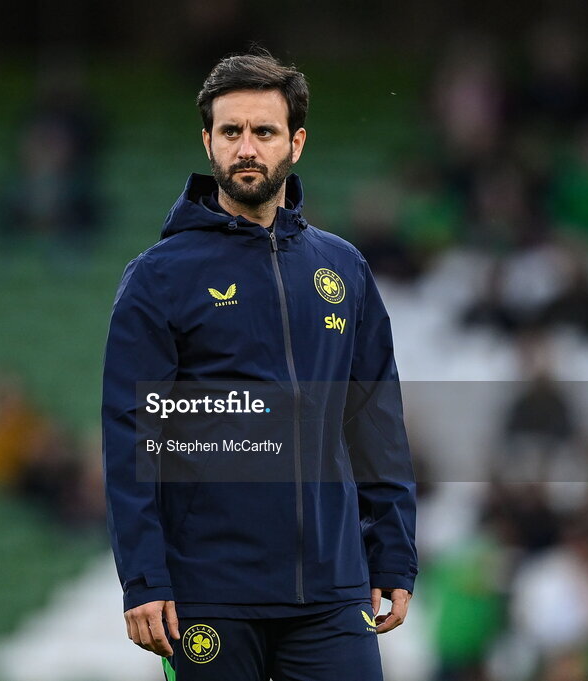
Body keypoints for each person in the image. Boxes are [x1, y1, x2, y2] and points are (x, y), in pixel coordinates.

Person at [101, 50, 417, 681]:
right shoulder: (158, 278)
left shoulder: (344, 269)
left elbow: (376, 421)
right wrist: (143, 577)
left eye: (264, 132)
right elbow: (131, 435)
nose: (247, 148)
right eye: (231, 132)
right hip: (209, 595)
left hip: (333, 590)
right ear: (208, 141)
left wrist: (394, 556)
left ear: (295, 143)